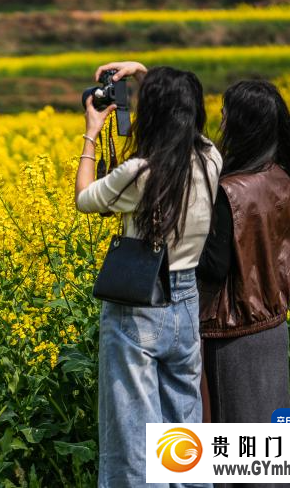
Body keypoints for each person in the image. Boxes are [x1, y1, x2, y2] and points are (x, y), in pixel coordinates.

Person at [75, 61, 221, 487]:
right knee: (184, 433)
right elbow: (184, 109)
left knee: (134, 440)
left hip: (140, 305)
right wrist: (144, 73)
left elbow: (85, 197)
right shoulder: (210, 159)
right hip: (186, 302)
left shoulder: (141, 173)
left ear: (151, 114)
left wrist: (91, 132)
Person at [197, 81, 290, 478]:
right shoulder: (282, 178)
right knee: (271, 457)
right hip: (272, 330)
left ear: (241, 123)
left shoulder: (230, 192)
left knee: (232, 460)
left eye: (226, 113)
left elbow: (212, 267)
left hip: (232, 336)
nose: (221, 120)